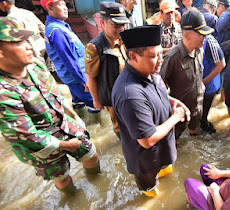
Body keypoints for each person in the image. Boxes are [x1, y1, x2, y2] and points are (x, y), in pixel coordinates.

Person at [0, 17, 100, 194]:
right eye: (19, 42)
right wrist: (66, 145)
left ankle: (97, 184)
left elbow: (57, 94)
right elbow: (28, 136)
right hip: (41, 144)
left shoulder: (35, 65)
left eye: (26, 40)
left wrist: (74, 116)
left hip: (64, 124)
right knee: (61, 176)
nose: (29, 46)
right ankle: (73, 197)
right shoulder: (4, 92)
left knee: (91, 154)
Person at [112, 25, 190, 198]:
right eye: (154, 56)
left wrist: (173, 101)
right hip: (146, 160)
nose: (161, 60)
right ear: (133, 56)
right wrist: (176, 117)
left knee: (167, 173)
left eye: (161, 53)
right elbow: (147, 140)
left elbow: (157, 95)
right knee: (152, 193)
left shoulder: (151, 72)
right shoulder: (130, 94)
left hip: (163, 149)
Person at [160, 10, 214, 138]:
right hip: (180, 112)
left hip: (197, 107)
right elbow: (159, 88)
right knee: (174, 139)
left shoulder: (199, 50)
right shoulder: (172, 58)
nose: (204, 38)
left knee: (194, 131)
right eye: (201, 34)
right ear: (187, 35)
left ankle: (193, 133)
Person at [41, 0, 100, 115]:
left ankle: (83, 123)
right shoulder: (56, 31)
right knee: (94, 103)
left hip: (71, 76)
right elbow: (69, 60)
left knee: (78, 102)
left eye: (65, 4)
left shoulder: (59, 26)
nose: (65, 8)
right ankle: (97, 128)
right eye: (60, 5)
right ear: (50, 8)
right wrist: (84, 80)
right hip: (76, 77)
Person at [84, 2, 130, 137]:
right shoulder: (94, 47)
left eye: (122, 25)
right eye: (116, 25)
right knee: (120, 127)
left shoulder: (123, 39)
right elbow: (91, 76)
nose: (120, 29)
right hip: (112, 96)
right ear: (102, 23)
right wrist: (96, 101)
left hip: (128, 91)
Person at [200, 34, 225, 133]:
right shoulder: (186, 38)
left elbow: (221, 64)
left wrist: (203, 82)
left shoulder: (209, 41)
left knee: (204, 114)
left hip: (209, 85)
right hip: (196, 84)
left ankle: (204, 124)